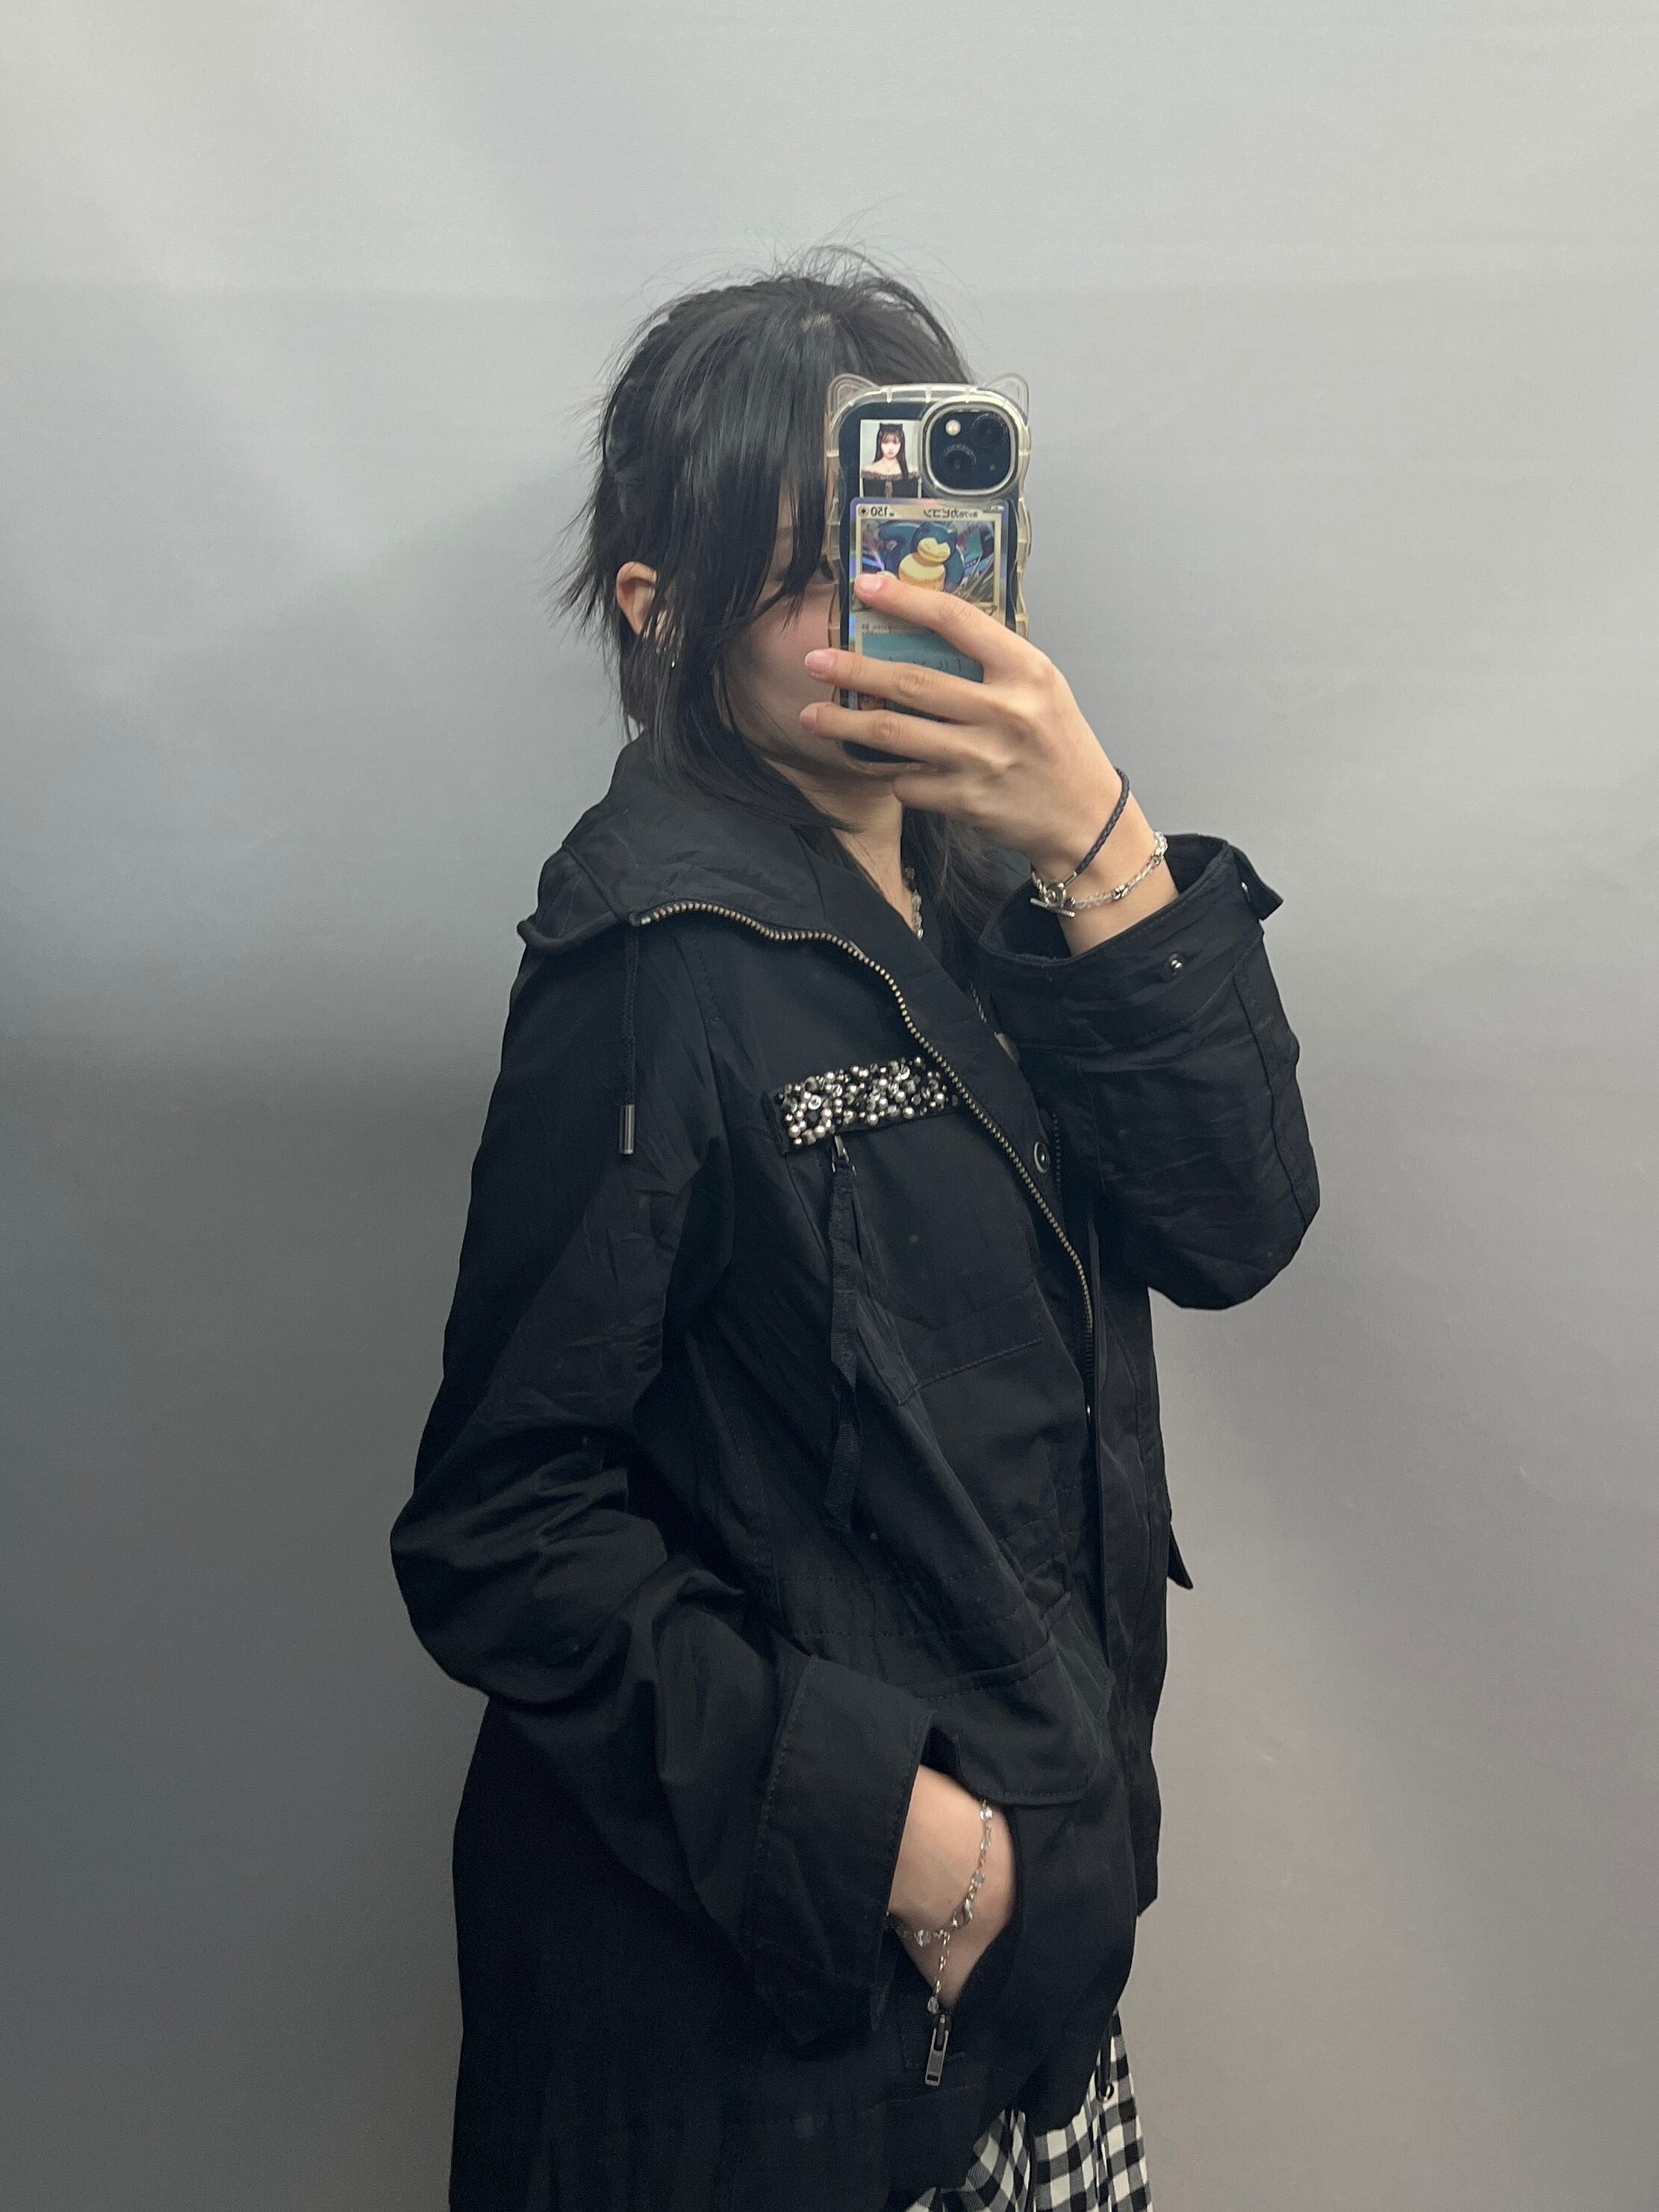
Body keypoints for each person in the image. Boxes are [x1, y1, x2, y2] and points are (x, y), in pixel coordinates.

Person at [390, 246, 1319, 2212]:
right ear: (658, 607)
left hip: (1022, 1974)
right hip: (780, 2018)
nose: (877, 618)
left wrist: (1100, 841)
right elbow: (500, 1529)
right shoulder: (651, 959)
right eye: (806, 578)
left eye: (904, 551)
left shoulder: (1002, 905)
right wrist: (916, 1852)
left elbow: (1235, 1224)